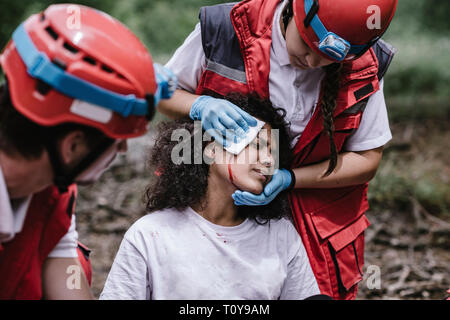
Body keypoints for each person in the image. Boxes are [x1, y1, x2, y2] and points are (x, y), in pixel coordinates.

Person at [158, 0, 398, 299]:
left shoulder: (367, 63)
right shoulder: (227, 27)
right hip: (217, 218)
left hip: (321, 235)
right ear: (295, 10)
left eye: (328, 60)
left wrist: (291, 178)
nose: (312, 63)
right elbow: (163, 95)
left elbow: (366, 159)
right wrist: (199, 104)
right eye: (308, 46)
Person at [0, 4, 175, 299]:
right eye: (117, 139)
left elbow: (67, 279)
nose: (121, 148)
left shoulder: (51, 194)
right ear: (73, 145)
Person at [100, 93, 321, 300]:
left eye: (272, 152)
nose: (268, 161)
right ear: (210, 149)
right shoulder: (149, 236)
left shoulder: (281, 236)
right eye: (256, 145)